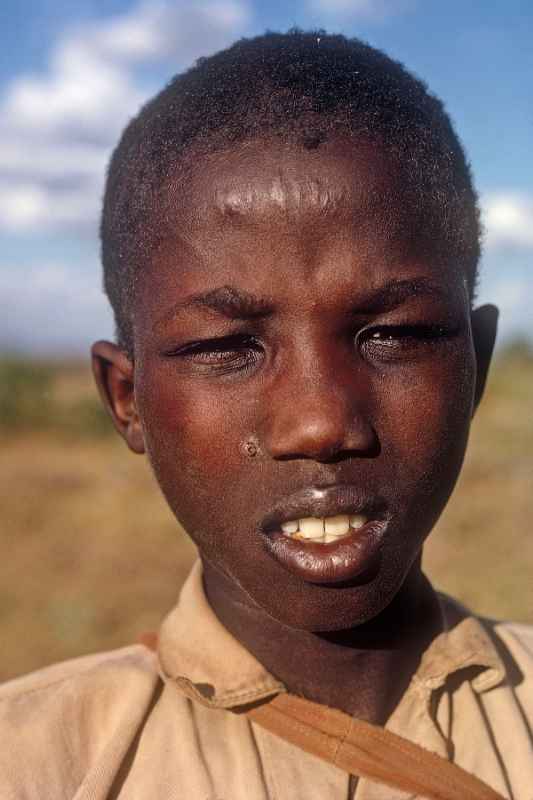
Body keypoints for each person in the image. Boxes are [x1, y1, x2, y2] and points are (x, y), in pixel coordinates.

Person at [1, 30, 531, 800]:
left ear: (473, 366)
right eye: (226, 346)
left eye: (395, 334)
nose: (319, 424)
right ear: (127, 399)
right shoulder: (39, 763)